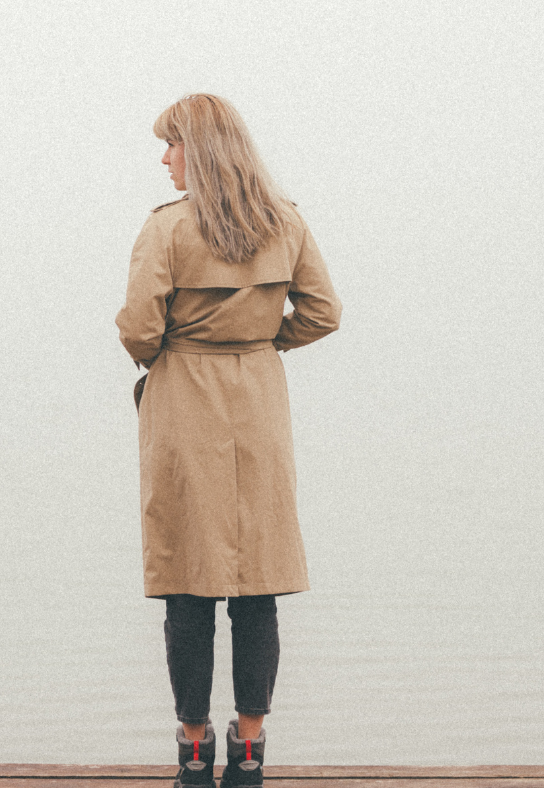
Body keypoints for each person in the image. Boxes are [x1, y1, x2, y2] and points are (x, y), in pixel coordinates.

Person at [115, 94, 341, 788]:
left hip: (185, 401)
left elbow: (138, 329)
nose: (164, 159)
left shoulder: (167, 230)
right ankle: (249, 750)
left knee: (188, 580)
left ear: (199, 152)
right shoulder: (286, 221)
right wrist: (262, 339)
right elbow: (324, 313)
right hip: (259, 402)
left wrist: (184, 349)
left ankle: (191, 749)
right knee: (256, 582)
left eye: (171, 146)